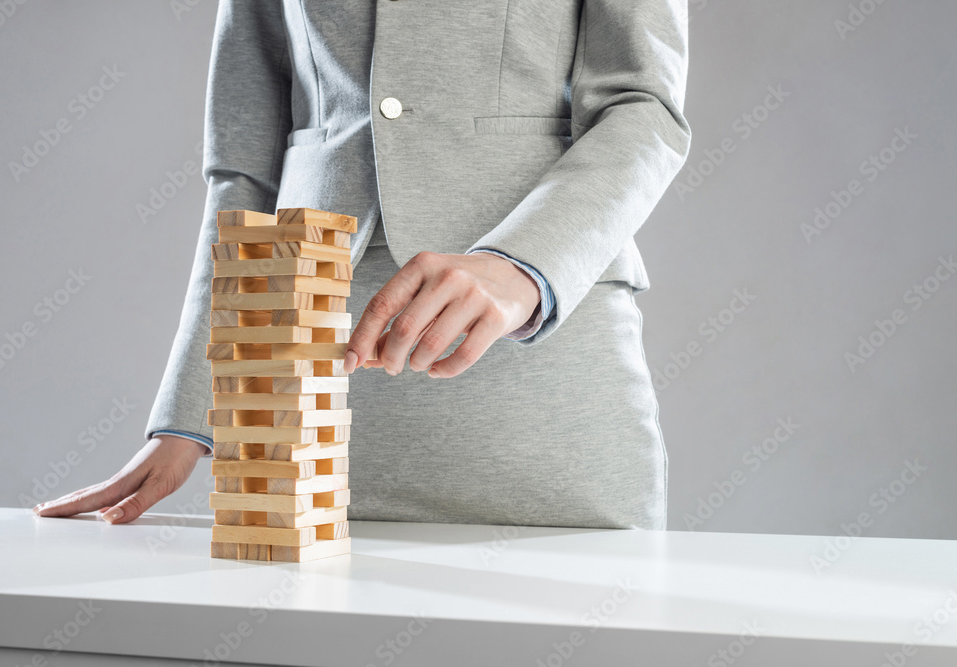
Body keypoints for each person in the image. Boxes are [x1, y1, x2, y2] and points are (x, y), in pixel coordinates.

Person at [34, 0, 691, 530]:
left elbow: (645, 106)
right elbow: (246, 168)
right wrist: (195, 404)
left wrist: (520, 265)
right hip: (303, 384)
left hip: (545, 384)